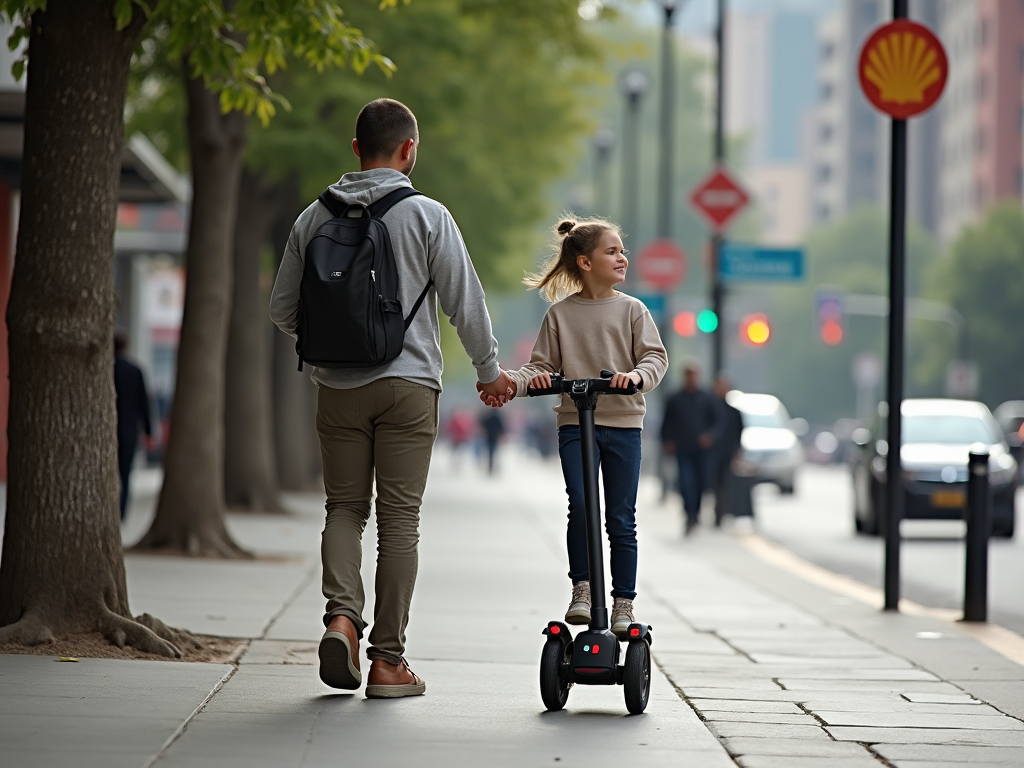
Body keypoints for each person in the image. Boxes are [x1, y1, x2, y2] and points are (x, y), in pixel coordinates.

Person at [270, 98, 513, 698]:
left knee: (343, 509)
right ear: (409, 150)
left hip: (337, 391)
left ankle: (340, 620)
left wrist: (329, 346)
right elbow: (465, 302)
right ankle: (386, 662)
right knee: (398, 519)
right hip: (408, 387)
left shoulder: (311, 217)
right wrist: (489, 372)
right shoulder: (427, 215)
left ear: (355, 149)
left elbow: (281, 310)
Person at [483, 217, 668, 639]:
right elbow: (541, 367)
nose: (622, 258)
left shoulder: (634, 310)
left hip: (623, 424)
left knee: (621, 517)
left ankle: (624, 602)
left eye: (622, 251)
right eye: (612, 251)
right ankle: (582, 589)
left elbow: (655, 358)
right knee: (582, 505)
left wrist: (635, 377)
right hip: (575, 422)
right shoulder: (560, 315)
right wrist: (513, 382)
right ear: (585, 262)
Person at [661, 360, 719, 535]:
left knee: (702, 482)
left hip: (702, 450)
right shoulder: (675, 398)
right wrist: (668, 441)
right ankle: (688, 513)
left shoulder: (706, 398)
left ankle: (697, 512)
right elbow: (667, 424)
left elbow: (718, 421)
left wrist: (710, 436)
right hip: (683, 448)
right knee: (686, 483)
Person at [114, 333, 152, 520]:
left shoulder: (103, 371)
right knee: (125, 473)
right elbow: (144, 404)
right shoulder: (135, 371)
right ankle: (122, 512)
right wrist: (149, 432)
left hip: (108, 430)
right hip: (129, 430)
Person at [711, 374, 744, 526]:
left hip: (727, 452)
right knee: (710, 483)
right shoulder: (708, 408)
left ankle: (720, 513)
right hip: (710, 453)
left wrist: (737, 451)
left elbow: (739, 432)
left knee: (724, 484)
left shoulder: (733, 412)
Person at [478, 407, 505, 475]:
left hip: (489, 437)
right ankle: (495, 467)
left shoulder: (489, 417)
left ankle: (491, 467)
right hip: (495, 438)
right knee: (496, 452)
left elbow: (482, 423)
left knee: (490, 453)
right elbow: (502, 427)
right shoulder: (498, 417)